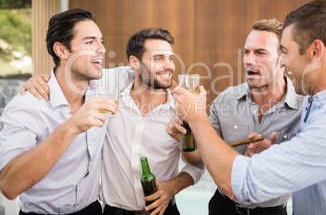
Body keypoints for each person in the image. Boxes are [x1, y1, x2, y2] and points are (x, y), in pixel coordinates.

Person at [171, 0, 326, 214]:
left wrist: (196, 117)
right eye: (246, 52)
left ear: (315, 51)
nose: (285, 63)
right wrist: (278, 155)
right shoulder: (325, 104)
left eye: (286, 52)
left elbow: (242, 182)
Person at [21, 27, 204, 215]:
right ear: (134, 62)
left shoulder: (181, 110)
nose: (169, 66)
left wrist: (171, 188)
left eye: (171, 58)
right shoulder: (108, 98)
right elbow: (70, 77)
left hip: (164, 210)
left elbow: (197, 164)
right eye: (158, 58)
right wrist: (41, 81)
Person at [0, 8, 117, 214]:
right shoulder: (27, 106)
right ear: (62, 51)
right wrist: (71, 126)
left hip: (91, 210)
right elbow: (9, 185)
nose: (102, 49)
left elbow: (145, 70)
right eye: (90, 42)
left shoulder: (104, 85)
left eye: (101, 41)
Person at [207, 19, 306, 215]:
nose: (249, 60)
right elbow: (200, 159)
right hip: (223, 208)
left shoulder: (306, 109)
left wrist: (275, 159)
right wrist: (185, 136)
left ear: (283, 59)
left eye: (260, 53)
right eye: (246, 52)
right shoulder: (224, 101)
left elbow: (310, 171)